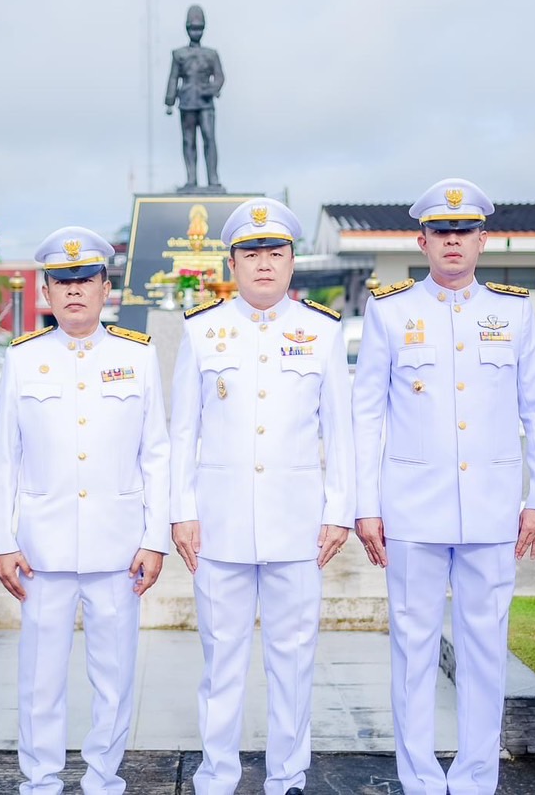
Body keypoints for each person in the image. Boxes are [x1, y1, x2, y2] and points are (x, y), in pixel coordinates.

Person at [351, 178, 535, 795]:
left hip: (493, 509)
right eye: (441, 233)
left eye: (464, 232)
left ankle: (474, 778)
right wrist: (365, 507)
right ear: (422, 240)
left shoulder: (513, 311)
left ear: (482, 240)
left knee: (484, 649)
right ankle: (417, 778)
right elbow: (366, 415)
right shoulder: (390, 311)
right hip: (411, 510)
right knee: (413, 651)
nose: (452, 243)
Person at [170, 197, 354, 795]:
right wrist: (182, 512)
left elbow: (340, 429)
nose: (265, 263)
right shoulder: (202, 331)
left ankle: (288, 775)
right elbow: (182, 432)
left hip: (297, 524)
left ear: (292, 260)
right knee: (221, 661)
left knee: (293, 658)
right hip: (219, 525)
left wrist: (338, 510)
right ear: (233, 262)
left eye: (275, 252)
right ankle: (216, 774)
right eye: (252, 253)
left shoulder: (322, 332)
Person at [0, 226, 171, 795]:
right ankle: (40, 781)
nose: (73, 291)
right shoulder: (22, 360)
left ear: (104, 287)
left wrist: (155, 538)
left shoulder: (136, 356)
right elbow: (3, 459)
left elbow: (157, 454)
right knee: (40, 677)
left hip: (118, 544)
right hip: (41, 546)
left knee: (114, 675)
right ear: (46, 290)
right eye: (61, 281)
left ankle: (103, 779)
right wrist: (2, 539)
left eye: (84, 280)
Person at [163, 4, 226, 190]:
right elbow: (173, 77)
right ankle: (191, 179)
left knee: (209, 139)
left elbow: (220, 76)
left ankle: (213, 179)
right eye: (192, 28)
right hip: (187, 102)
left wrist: (213, 89)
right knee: (188, 141)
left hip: (206, 103)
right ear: (187, 29)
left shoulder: (211, 54)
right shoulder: (179, 54)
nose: (195, 32)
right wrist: (169, 100)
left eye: (199, 28)